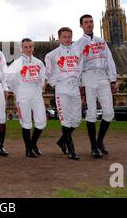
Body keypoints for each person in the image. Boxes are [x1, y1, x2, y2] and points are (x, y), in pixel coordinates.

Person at [74, 14, 117, 158]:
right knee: (91, 112)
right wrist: (80, 84)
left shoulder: (101, 41)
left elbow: (109, 60)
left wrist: (113, 80)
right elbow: (76, 66)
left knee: (109, 112)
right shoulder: (78, 44)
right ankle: (93, 147)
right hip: (88, 76)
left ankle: (99, 141)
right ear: (81, 25)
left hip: (103, 76)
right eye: (86, 22)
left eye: (91, 21)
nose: (89, 24)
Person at [45, 27, 83, 160]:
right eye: (64, 37)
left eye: (69, 36)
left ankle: (61, 140)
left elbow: (80, 69)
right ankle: (71, 149)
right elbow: (48, 73)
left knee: (76, 120)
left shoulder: (78, 52)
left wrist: (80, 83)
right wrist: (56, 84)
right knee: (65, 119)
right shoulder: (52, 55)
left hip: (75, 88)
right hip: (62, 89)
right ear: (59, 38)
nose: (67, 39)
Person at [6, 38, 47, 158]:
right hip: (23, 93)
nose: (28, 49)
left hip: (36, 94)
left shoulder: (39, 62)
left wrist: (40, 88)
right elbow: (8, 78)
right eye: (26, 47)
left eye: (30, 47)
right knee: (26, 122)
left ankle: (33, 144)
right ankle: (28, 149)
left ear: (33, 48)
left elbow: (42, 78)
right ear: (21, 48)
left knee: (41, 121)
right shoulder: (17, 63)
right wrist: (17, 90)